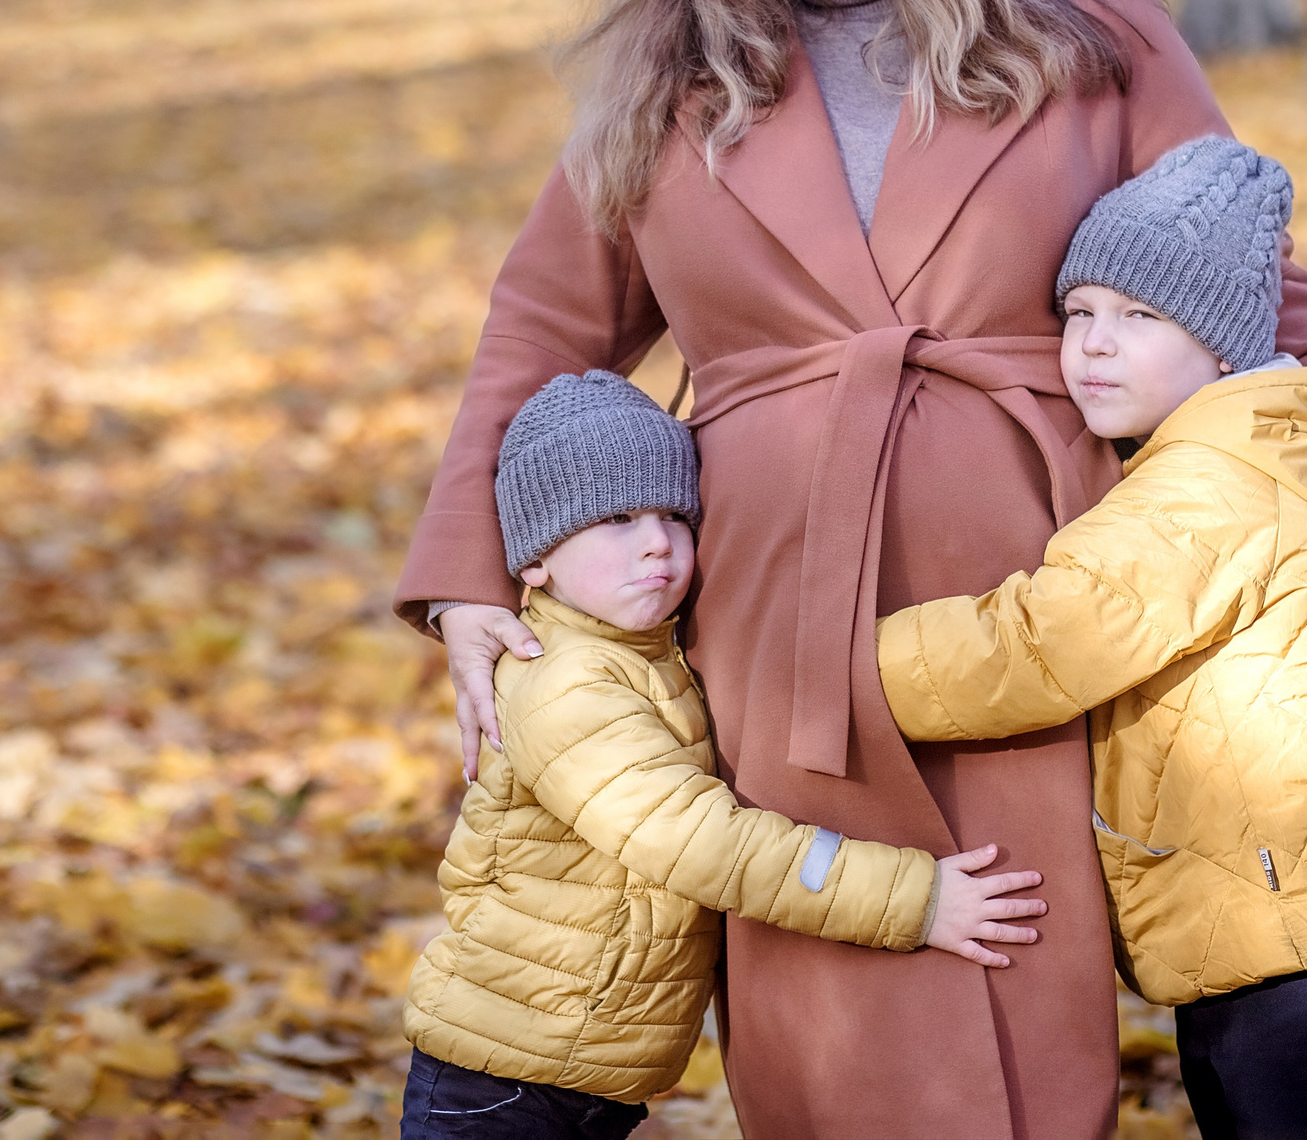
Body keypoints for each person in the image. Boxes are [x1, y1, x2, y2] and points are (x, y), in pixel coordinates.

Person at [395, 0, 1307, 1136]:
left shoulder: (1092, 30)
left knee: (1059, 968)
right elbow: (540, 329)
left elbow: (1248, 262)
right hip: (779, 601)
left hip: (1059, 580)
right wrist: (466, 576)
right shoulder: (665, 84)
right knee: (848, 1011)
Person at [874, 136, 1307, 1140]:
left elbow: (1041, 645)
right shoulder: (1229, 455)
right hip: (1277, 935)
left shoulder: (1200, 494)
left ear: (1222, 349)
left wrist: (848, 665)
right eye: (1080, 313)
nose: (1095, 343)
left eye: (1141, 318)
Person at [401, 369, 1048, 1140]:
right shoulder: (564, 680)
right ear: (535, 559)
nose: (656, 543)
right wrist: (914, 898)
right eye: (615, 517)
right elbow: (698, 841)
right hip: (506, 1073)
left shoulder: (645, 656)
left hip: (571, 1064)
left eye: (676, 514)